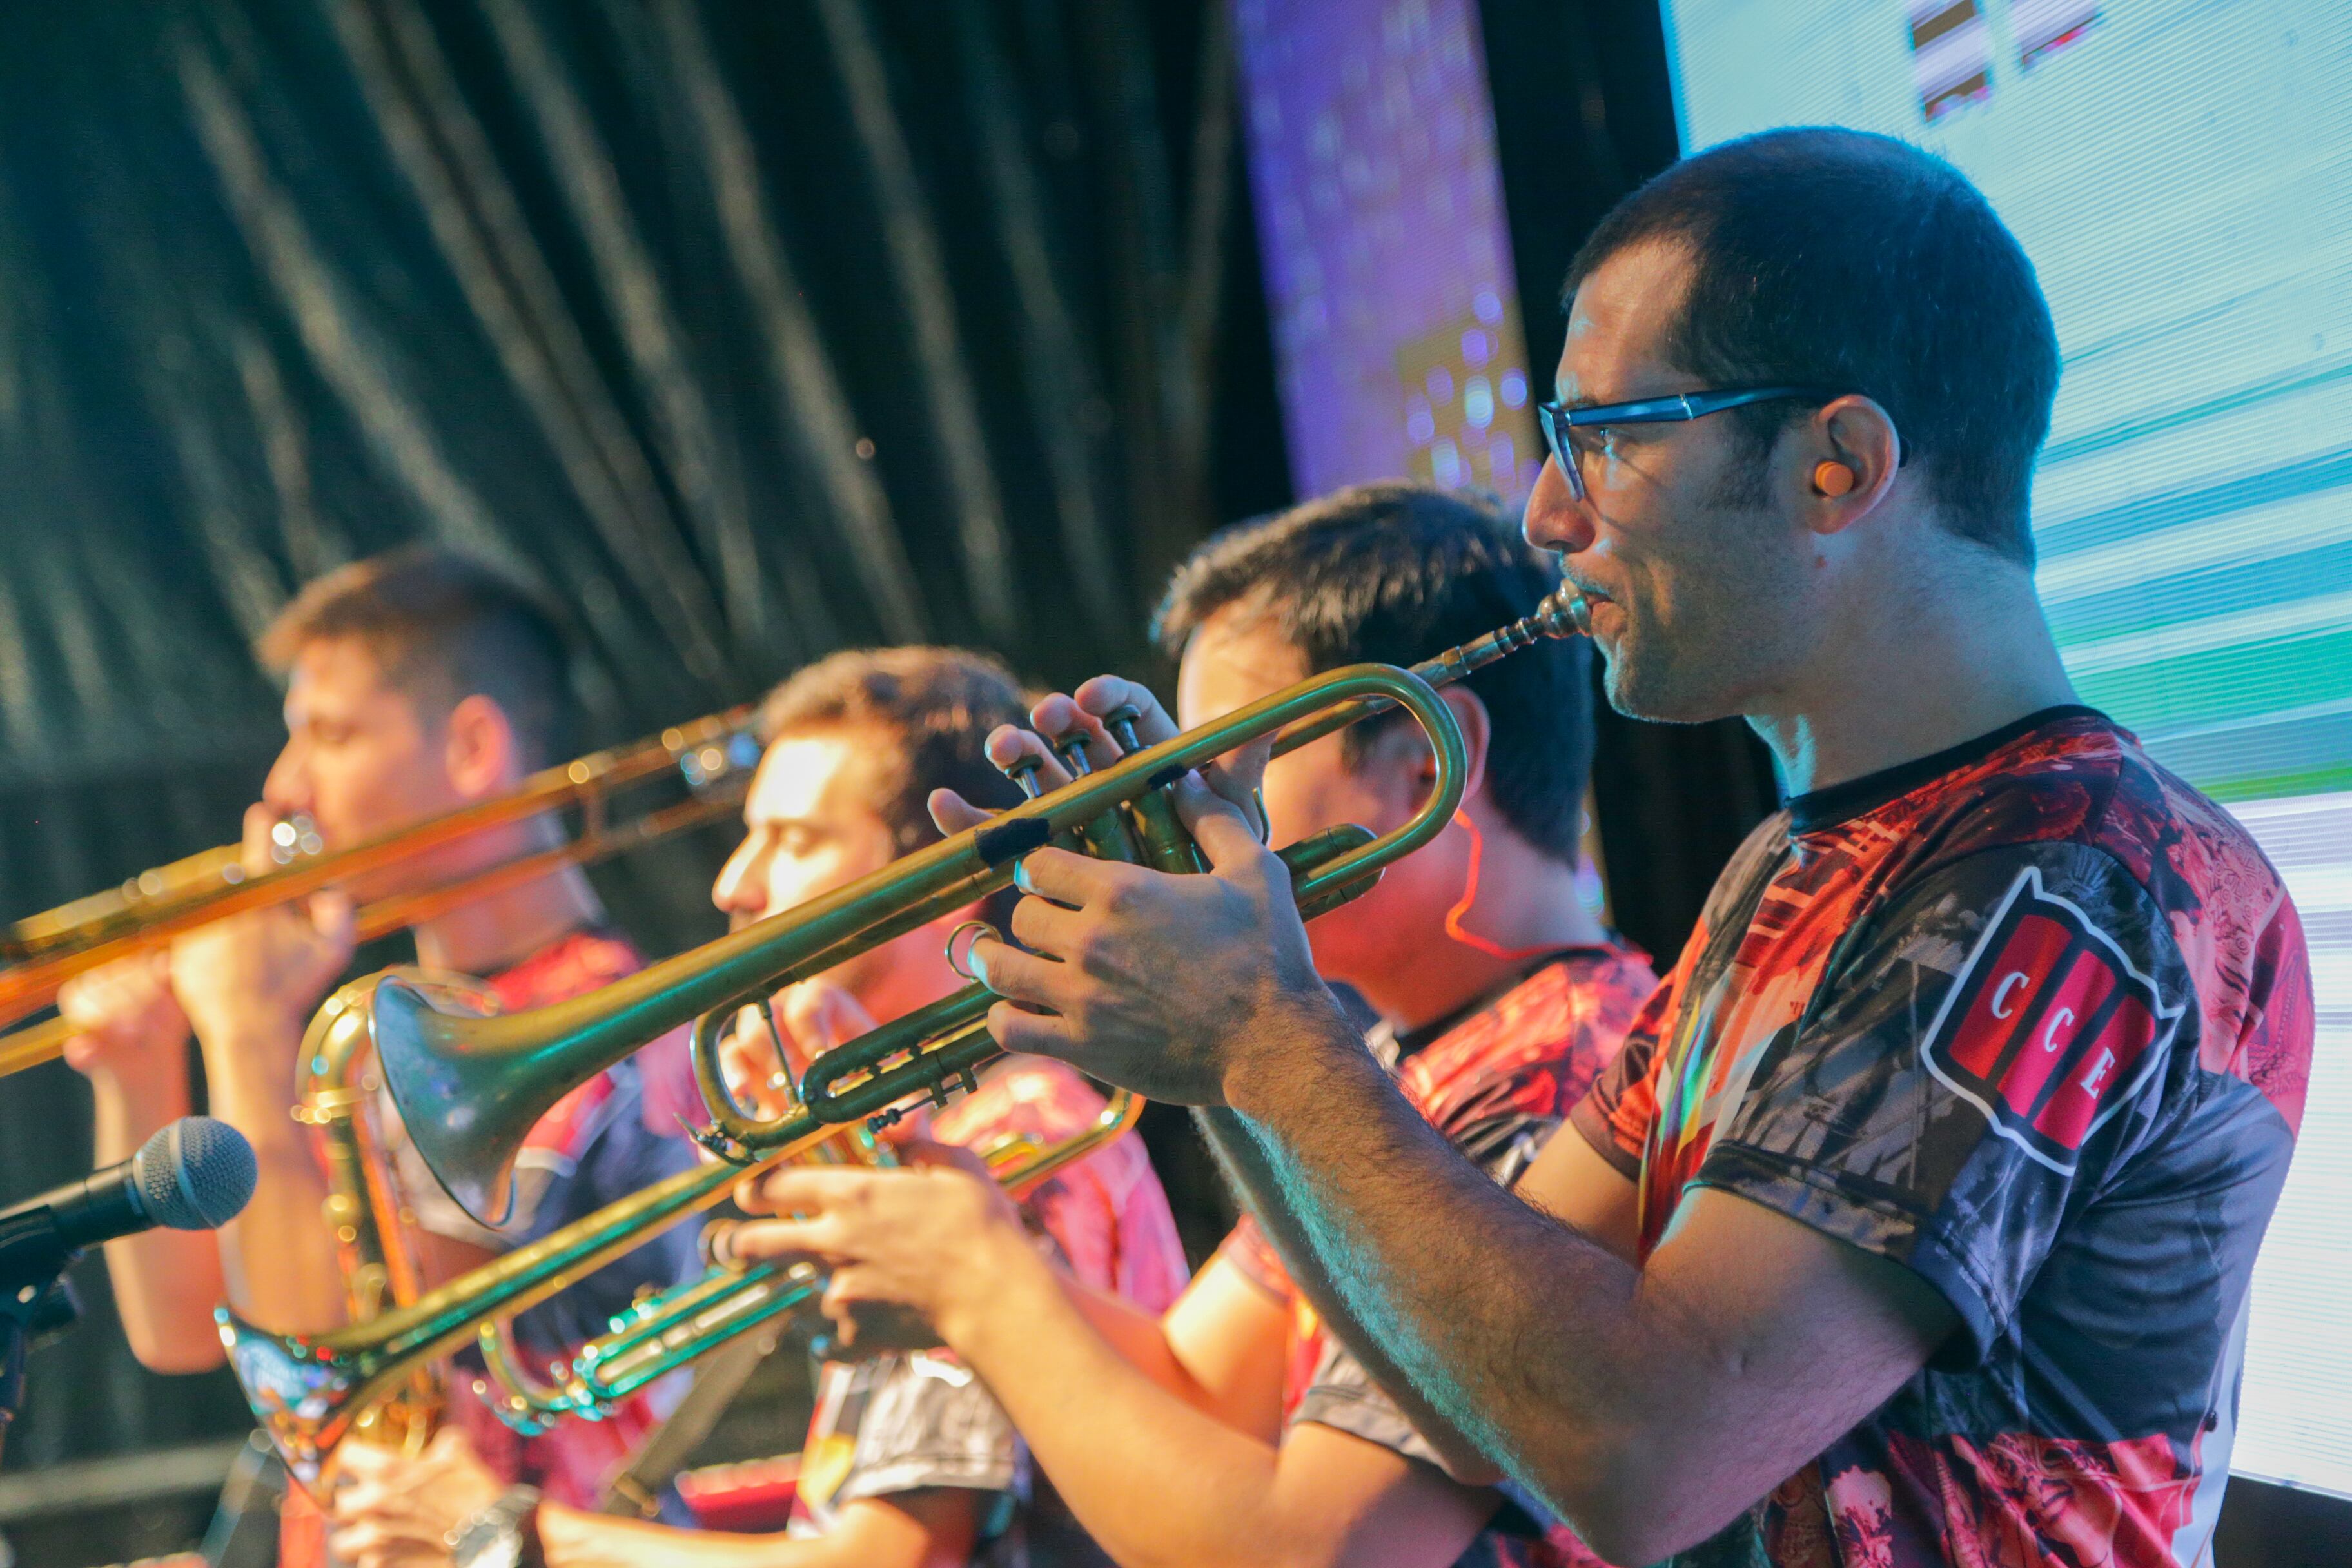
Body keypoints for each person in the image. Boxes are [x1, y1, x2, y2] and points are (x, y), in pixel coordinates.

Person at [779, 128, 2315, 1568]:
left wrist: (1259, 1037)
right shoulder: (1796, 872)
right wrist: (1208, 1047)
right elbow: (1469, 1387)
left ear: (1834, 465)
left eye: (1602, 438)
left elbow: (1650, 1449)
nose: (1546, 511)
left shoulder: (2064, 872)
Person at [730, 490, 1656, 1568]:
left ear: (1416, 764)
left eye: (1221, 763)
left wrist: (983, 1282)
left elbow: (1311, 1551)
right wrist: (951, 1237)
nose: (1176, 817)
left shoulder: (1565, 1067)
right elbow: (1197, 1387)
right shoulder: (1402, 1064)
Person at [327, 646, 1191, 1568]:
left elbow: (891, 1561)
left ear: (938, 874)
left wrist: (507, 1533)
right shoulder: (923, 1136)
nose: (733, 883)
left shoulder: (1009, 1147)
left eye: (797, 839)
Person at [58, 549, 703, 1554]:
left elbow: (338, 1369)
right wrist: (140, 1071)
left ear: (475, 747)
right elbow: (185, 1333)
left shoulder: (591, 1027)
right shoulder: (386, 1024)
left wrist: (247, 1035)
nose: (285, 786)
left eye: (334, 734)